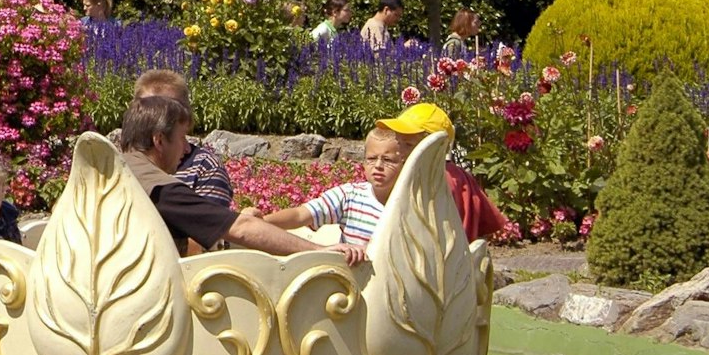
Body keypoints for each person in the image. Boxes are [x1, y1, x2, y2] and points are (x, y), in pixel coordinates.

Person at [116, 96, 366, 264]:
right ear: (159, 140)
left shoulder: (112, 170)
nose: (186, 148)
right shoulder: (162, 189)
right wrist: (319, 251)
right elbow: (241, 228)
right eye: (182, 137)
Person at [372, 103, 511, 242]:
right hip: (463, 258)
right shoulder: (460, 176)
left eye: (408, 145)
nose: (399, 151)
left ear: (436, 146)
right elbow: (488, 224)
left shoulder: (429, 181)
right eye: (398, 142)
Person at [261, 127, 412, 250]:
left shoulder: (414, 204)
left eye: (388, 160)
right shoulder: (350, 195)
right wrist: (261, 222)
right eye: (371, 159)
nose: (378, 166)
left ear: (405, 164)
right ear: (364, 162)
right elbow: (300, 215)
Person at [134, 68, 234, 208]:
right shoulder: (120, 160)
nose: (156, 116)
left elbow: (211, 226)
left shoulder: (204, 168)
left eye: (169, 109)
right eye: (148, 108)